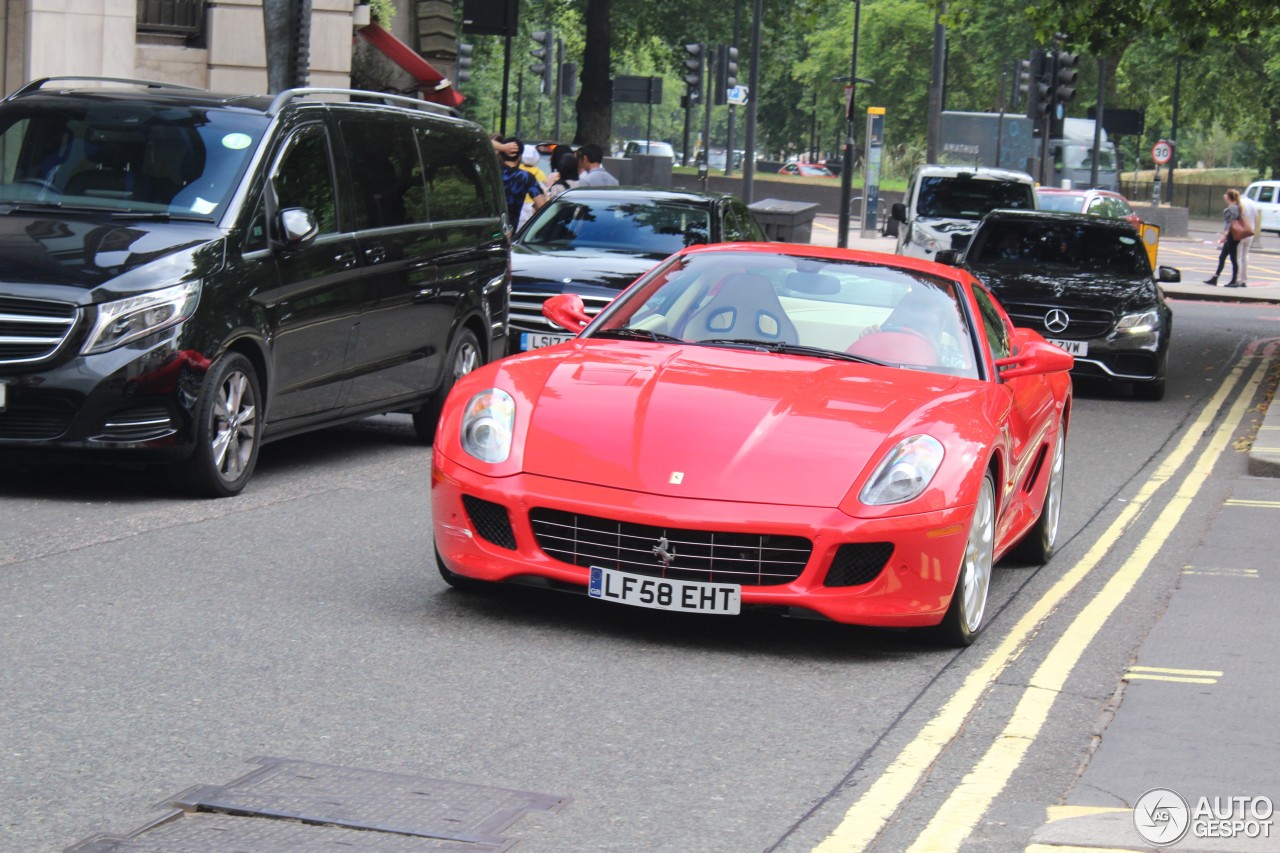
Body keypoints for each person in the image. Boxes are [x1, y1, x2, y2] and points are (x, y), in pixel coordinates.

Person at [495, 136, 546, 232]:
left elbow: (481, 141)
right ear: (519, 157)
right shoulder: (525, 177)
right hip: (508, 231)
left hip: (486, 229)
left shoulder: (492, 174)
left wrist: (502, 147)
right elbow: (542, 206)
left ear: (501, 155)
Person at [1205, 189, 1246, 287]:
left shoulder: (1234, 208)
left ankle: (1234, 281)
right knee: (1222, 257)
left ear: (1228, 197)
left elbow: (1233, 223)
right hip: (1230, 236)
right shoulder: (1233, 206)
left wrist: (1225, 235)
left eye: (1226, 194)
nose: (1224, 196)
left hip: (1232, 236)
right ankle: (1215, 278)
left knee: (1233, 258)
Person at [517, 144, 549, 229]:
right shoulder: (540, 173)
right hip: (534, 207)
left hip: (519, 207)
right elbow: (544, 191)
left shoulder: (518, 172)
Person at [1238, 188, 1258, 286]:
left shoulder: (1239, 203)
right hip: (1250, 231)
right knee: (1245, 257)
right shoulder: (1254, 203)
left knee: (1237, 257)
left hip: (1240, 232)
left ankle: (1237, 279)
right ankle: (1244, 280)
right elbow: (1256, 219)